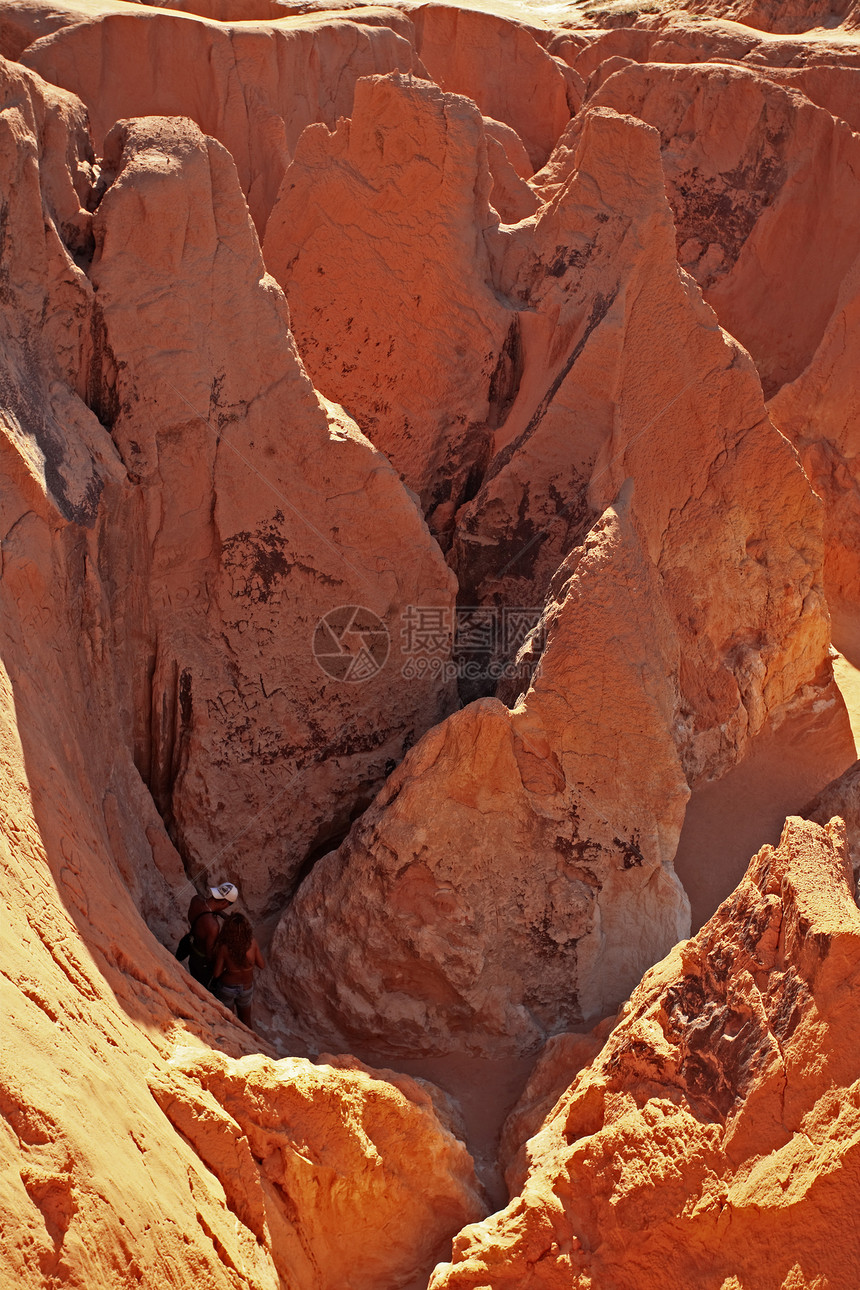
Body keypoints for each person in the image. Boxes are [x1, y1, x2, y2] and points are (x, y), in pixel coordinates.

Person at [212, 912, 265, 1028]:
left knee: (229, 1021)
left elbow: (216, 974)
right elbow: (262, 965)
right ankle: (251, 1044)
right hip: (246, 987)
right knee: (246, 1020)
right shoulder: (252, 943)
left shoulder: (224, 948)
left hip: (227, 988)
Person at [186, 882, 239, 990]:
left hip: (193, 952)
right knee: (201, 988)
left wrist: (222, 914)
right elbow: (210, 955)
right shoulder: (213, 926)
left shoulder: (196, 900)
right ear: (225, 902)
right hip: (202, 963)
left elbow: (204, 912)